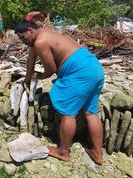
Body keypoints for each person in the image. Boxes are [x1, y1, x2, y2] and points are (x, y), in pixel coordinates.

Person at [14, 19, 105, 165]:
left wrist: (39, 75)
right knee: (90, 112)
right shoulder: (44, 33)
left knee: (68, 113)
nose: (22, 41)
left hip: (79, 72)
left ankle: (63, 152)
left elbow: (50, 70)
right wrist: (27, 76)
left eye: (23, 37)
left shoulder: (40, 42)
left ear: (30, 31)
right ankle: (98, 154)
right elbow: (31, 58)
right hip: (94, 68)